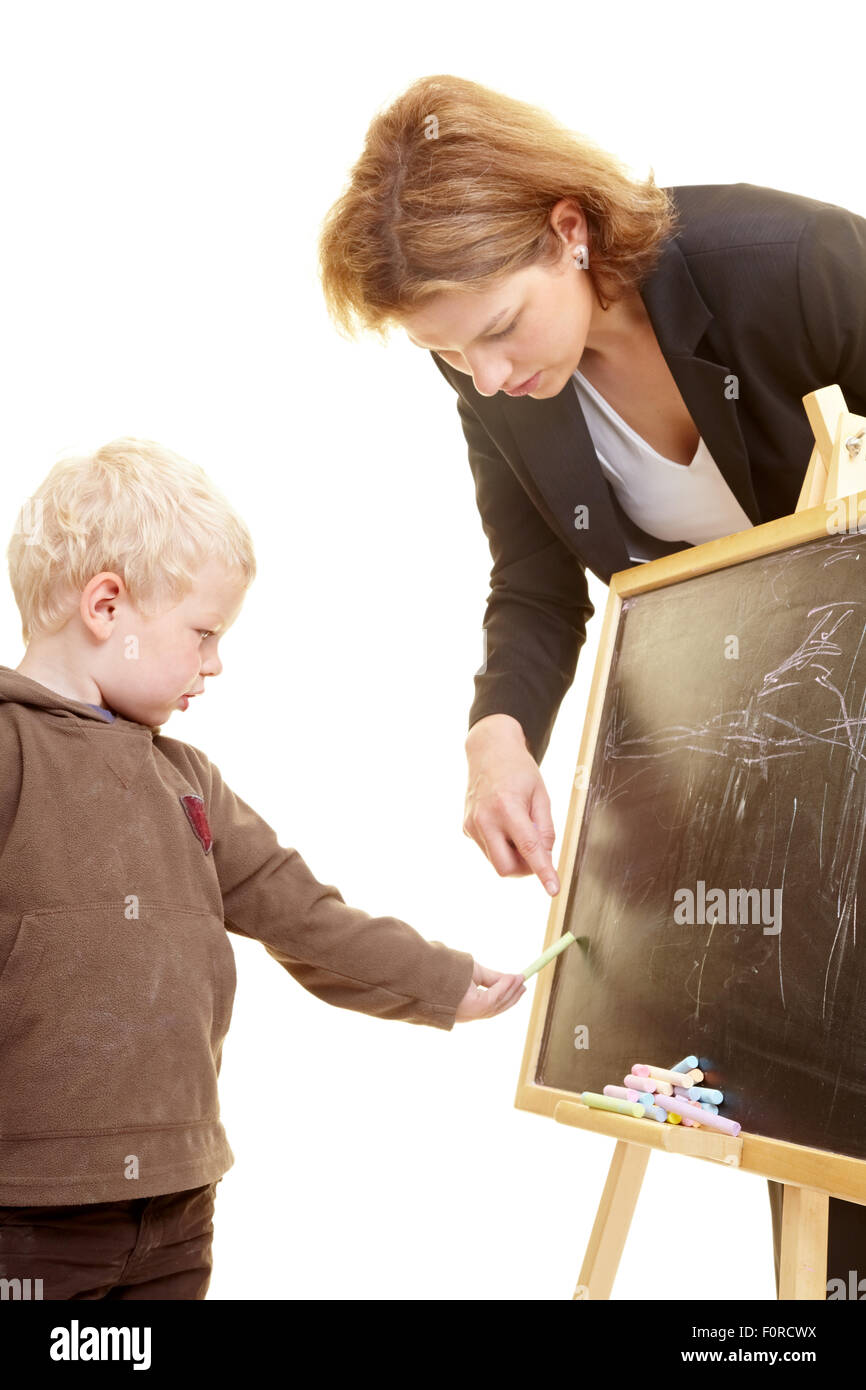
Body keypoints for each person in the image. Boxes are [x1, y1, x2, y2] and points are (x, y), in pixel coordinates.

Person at [316, 72, 866, 1297]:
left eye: (501, 327)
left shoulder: (792, 260)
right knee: (815, 1109)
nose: (486, 372)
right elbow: (530, 583)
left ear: (569, 229)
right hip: (775, 789)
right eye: (449, 353)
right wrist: (496, 735)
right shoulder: (483, 379)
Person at [0, 437, 525, 1300]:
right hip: (29, 1226)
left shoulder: (189, 780)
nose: (215, 664)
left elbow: (301, 912)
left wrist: (441, 980)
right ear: (106, 606)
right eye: (203, 635)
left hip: (178, 1214)